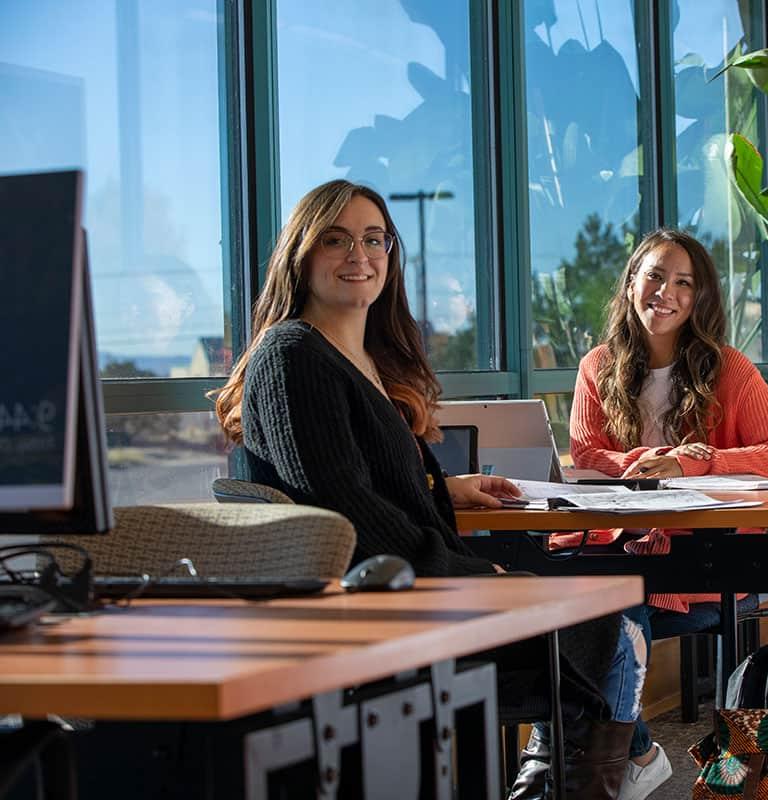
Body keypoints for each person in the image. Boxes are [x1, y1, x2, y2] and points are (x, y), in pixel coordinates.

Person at [212, 179, 646, 799]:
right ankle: (578, 773)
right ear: (301, 257)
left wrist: (442, 485)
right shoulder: (292, 355)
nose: (358, 255)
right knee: (611, 624)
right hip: (379, 602)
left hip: (400, 583)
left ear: (391, 255)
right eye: (335, 240)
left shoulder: (355, 356)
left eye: (373, 239)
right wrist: (465, 572)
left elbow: (350, 470)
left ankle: (564, 770)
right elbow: (341, 507)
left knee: (605, 618)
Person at [570, 228, 768, 799]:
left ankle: (617, 768)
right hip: (627, 558)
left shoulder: (728, 368)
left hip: (707, 568)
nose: (666, 292)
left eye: (684, 282)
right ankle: (637, 754)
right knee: (593, 611)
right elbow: (586, 453)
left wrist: (695, 465)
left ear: (699, 298)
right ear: (631, 284)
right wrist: (652, 459)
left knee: (612, 616)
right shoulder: (597, 366)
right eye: (654, 275)